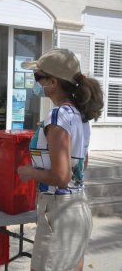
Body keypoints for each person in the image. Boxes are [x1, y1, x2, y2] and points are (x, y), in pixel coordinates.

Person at [17, 48, 104, 271]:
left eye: (38, 78)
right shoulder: (80, 116)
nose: (37, 83)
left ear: (53, 82)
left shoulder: (58, 116)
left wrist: (30, 172)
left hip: (59, 209)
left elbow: (61, 177)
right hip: (77, 206)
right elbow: (81, 165)